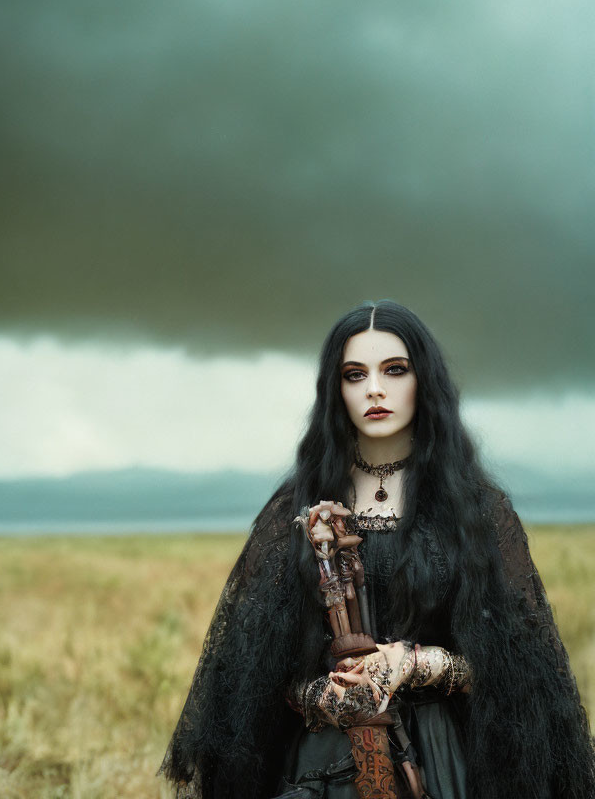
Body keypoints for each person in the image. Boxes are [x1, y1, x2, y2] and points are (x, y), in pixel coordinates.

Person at [160, 300, 595, 799]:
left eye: (394, 369)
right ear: (335, 391)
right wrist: (322, 696)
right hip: (322, 763)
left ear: (423, 381)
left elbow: (522, 666)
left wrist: (416, 664)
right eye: (353, 374)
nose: (374, 389)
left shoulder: (476, 512)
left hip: (444, 760)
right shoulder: (295, 512)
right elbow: (248, 669)